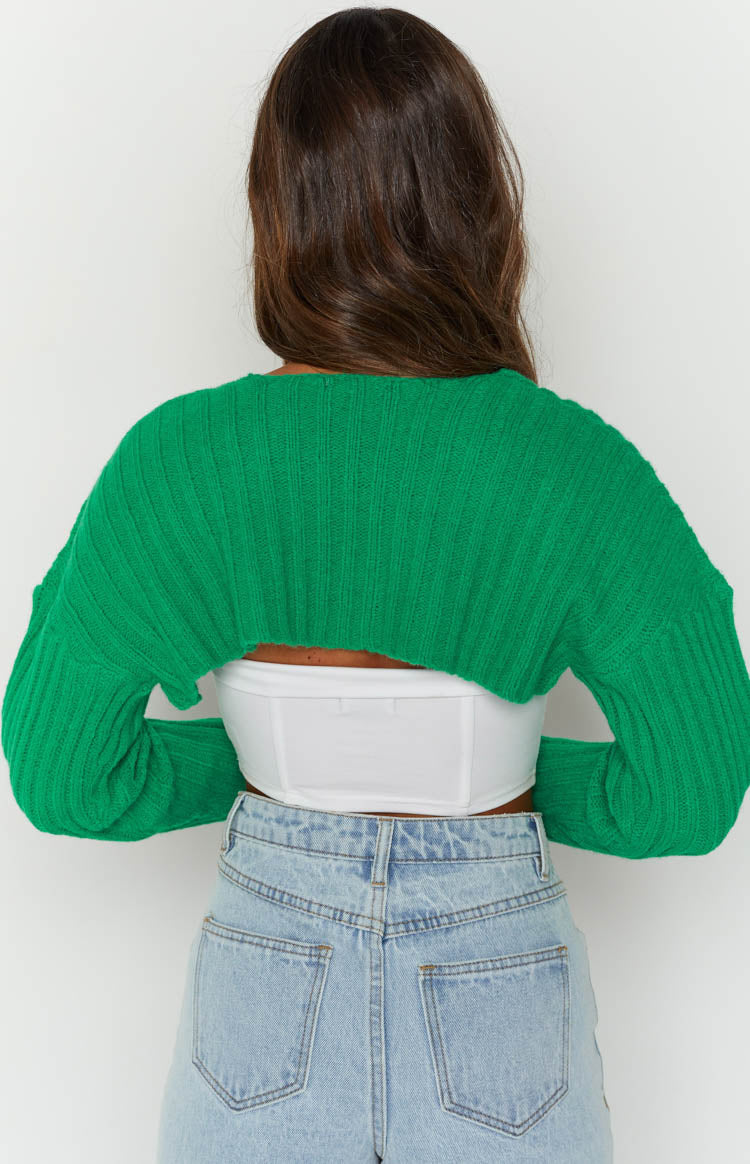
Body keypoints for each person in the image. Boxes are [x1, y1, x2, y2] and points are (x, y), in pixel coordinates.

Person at [3, 8, 749, 1163]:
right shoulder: (572, 469)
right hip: (500, 985)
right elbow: (690, 792)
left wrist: (264, 765)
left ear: (279, 212)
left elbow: (63, 778)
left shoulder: (180, 466)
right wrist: (508, 774)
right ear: (480, 210)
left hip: (264, 983)